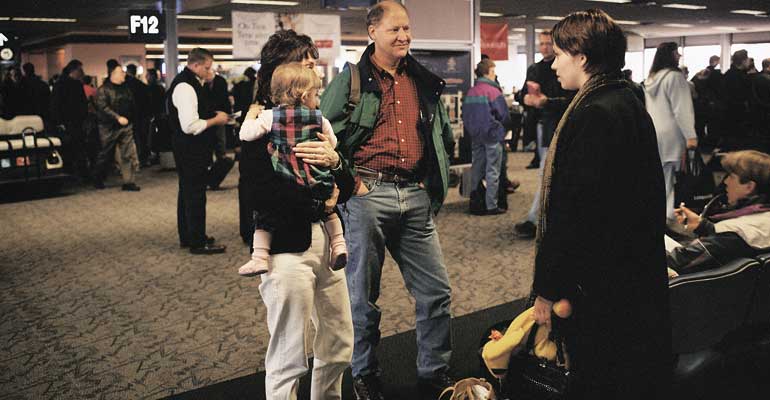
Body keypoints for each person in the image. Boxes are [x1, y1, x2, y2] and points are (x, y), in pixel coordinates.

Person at [531, 9, 671, 398]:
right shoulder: (625, 100)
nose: (553, 62)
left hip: (601, 285)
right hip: (630, 274)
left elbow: (574, 213)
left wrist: (547, 287)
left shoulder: (595, 115)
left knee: (598, 373)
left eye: (559, 54)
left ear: (582, 55)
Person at [320, 2, 456, 398]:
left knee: (436, 291)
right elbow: (323, 138)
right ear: (372, 32)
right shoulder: (351, 81)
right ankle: (364, 373)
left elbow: (441, 137)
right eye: (395, 29)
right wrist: (350, 187)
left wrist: (433, 183)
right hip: (366, 195)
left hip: (414, 196)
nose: (403, 36)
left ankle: (434, 372)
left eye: (407, 29)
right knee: (362, 298)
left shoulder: (422, 81)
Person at [242, 30, 355, 400]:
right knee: (290, 355)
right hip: (286, 246)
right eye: (301, 60)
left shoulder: (313, 117)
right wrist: (319, 202)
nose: (310, 66)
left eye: (311, 60)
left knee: (339, 341)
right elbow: (260, 194)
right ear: (279, 72)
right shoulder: (263, 120)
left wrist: (335, 163)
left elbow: (347, 182)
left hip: (326, 242)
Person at [237, 62, 348, 276]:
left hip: (287, 176)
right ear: (305, 95)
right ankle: (339, 245)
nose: (317, 99)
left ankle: (259, 257)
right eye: (316, 94)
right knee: (330, 211)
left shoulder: (270, 116)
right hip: (316, 178)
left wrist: (251, 115)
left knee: (263, 219)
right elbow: (332, 144)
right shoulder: (319, 118)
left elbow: (246, 134)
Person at [514, 30, 576, 239]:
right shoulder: (535, 69)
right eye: (541, 44)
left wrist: (546, 102)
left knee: (548, 174)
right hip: (540, 126)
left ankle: (536, 220)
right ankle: (542, 219)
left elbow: (571, 101)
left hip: (559, 126)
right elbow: (523, 94)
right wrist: (527, 100)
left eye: (548, 44)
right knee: (548, 174)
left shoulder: (565, 71)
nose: (544, 47)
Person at [167, 48, 229, 254]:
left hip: (187, 148)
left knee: (187, 192)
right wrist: (216, 120)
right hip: (190, 148)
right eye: (206, 67)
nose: (209, 71)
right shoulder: (185, 86)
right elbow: (190, 126)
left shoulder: (190, 82)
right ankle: (197, 241)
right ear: (195, 65)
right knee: (195, 194)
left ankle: (190, 235)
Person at [669, 150, 770, 275]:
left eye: (731, 177)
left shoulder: (732, 235)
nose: (726, 182)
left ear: (749, 187)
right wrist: (702, 225)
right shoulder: (760, 221)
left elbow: (677, 260)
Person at [644, 42, 697, 221]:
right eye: (676, 53)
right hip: (672, 134)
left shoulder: (652, 78)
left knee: (658, 175)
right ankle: (666, 215)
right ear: (670, 55)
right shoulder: (675, 77)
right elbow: (682, 109)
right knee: (668, 177)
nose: (679, 56)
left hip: (654, 131)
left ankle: (657, 212)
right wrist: (691, 135)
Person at [463, 59, 511, 215]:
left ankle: (476, 202)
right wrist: (502, 129)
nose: (495, 74)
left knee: (477, 169)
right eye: (493, 71)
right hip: (492, 136)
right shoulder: (494, 92)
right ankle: (492, 205)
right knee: (493, 171)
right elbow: (504, 116)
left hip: (476, 136)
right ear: (489, 72)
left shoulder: (471, 91)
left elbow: (466, 115)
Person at [92, 60, 140, 191]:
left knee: (127, 153)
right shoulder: (103, 90)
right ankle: (98, 178)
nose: (124, 74)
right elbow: (102, 107)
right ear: (113, 74)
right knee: (105, 154)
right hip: (108, 127)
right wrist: (117, 117)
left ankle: (128, 181)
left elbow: (132, 105)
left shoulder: (126, 89)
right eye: (120, 72)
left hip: (126, 126)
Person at [50, 60, 89, 177]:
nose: (82, 72)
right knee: (78, 148)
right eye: (80, 70)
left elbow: (54, 104)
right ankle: (82, 173)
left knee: (69, 149)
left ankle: (69, 172)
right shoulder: (75, 85)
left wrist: (58, 121)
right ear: (74, 70)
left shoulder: (59, 84)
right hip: (74, 121)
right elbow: (82, 104)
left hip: (67, 122)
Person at [723, 49, 752, 148]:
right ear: (743, 61)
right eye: (747, 59)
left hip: (730, 115)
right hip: (737, 116)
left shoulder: (729, 74)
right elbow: (739, 96)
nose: (749, 61)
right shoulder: (738, 76)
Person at [124, 64, 151, 167]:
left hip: (131, 116)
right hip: (142, 115)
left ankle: (133, 160)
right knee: (142, 137)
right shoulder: (141, 86)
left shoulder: (125, 85)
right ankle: (143, 158)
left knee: (132, 138)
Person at [205, 70, 231, 163]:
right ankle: (209, 158)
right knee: (209, 137)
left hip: (220, 113)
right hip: (207, 114)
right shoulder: (202, 82)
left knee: (220, 136)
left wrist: (226, 112)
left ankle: (221, 156)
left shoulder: (220, 81)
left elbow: (224, 98)